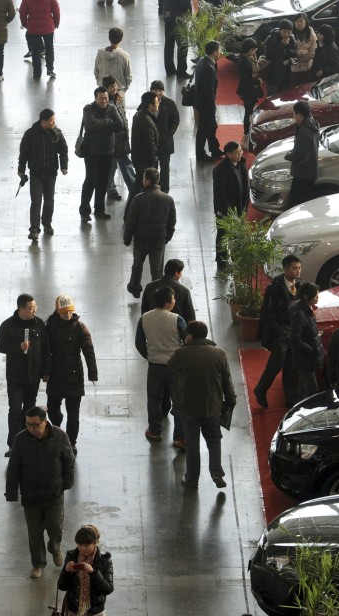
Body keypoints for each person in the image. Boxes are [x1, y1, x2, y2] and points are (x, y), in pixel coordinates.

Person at [5, 406, 75, 578]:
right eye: (28, 424)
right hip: (31, 495)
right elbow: (14, 467)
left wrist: (66, 484)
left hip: (54, 493)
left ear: (45, 422)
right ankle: (38, 564)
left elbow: (68, 461)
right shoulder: (20, 440)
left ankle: (55, 547)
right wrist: (12, 492)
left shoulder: (59, 436)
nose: (31, 428)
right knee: (34, 532)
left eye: (35, 425)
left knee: (55, 527)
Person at [169, 321, 236, 489]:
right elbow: (227, 381)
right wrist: (230, 400)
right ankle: (217, 474)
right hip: (212, 406)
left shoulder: (181, 354)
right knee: (214, 440)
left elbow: (171, 370)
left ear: (190, 336)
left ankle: (192, 479)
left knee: (192, 444)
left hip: (189, 407)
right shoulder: (219, 354)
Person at [45, 295, 98, 455]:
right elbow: (46, 351)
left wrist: (93, 373)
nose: (67, 314)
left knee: (73, 414)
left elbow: (89, 351)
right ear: (57, 311)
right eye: (64, 312)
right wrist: (45, 371)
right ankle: (57, 431)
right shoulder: (50, 327)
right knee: (53, 410)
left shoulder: (80, 328)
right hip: (55, 376)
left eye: (69, 311)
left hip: (74, 377)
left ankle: (70, 442)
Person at [0, 294, 51, 454]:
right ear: (21, 308)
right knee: (14, 409)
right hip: (15, 376)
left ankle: (27, 440)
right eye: (30, 308)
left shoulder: (39, 324)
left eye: (35, 307)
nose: (34, 310)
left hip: (33, 375)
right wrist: (18, 347)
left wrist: (46, 370)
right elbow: (0, 346)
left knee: (29, 409)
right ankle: (13, 444)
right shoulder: (8, 325)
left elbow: (46, 349)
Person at [135, 286, 187, 445]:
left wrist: (150, 355)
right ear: (167, 303)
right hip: (175, 368)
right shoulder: (177, 319)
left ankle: (154, 430)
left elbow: (139, 343)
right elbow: (187, 341)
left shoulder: (144, 318)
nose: (174, 301)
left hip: (154, 366)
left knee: (154, 400)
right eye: (173, 299)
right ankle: (179, 437)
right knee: (178, 401)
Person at [254, 254, 303, 407]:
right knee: (276, 364)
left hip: (295, 331)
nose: (298, 271)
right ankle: (261, 389)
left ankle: (291, 398)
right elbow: (268, 312)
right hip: (281, 331)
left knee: (291, 365)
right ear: (286, 269)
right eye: (295, 268)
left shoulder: (300, 286)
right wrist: (277, 332)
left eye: (300, 268)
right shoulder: (274, 288)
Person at [124, 168, 177, 297]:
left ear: (147, 181)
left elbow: (131, 220)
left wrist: (127, 237)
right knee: (157, 269)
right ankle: (157, 294)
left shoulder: (138, 199)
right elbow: (172, 221)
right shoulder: (168, 199)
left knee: (137, 265)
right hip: (159, 241)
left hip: (141, 239)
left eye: (143, 179)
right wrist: (167, 237)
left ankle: (135, 287)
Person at [19, 108, 69, 240]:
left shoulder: (56, 133)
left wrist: (64, 166)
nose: (54, 123)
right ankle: (34, 229)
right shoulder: (30, 134)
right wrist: (21, 170)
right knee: (36, 202)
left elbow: (63, 149)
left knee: (49, 201)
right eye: (51, 120)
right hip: (36, 173)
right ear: (44, 122)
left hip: (51, 173)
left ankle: (47, 223)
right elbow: (23, 153)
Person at [80, 87, 125, 222]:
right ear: (95, 98)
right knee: (90, 181)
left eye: (106, 98)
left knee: (103, 181)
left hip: (108, 152)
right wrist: (108, 123)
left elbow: (120, 125)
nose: (104, 100)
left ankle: (99, 209)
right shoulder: (88, 109)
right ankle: (84, 211)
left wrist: (103, 125)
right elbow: (91, 123)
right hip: (91, 152)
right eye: (101, 98)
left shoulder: (112, 108)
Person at [57, 525, 115, 615]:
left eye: (87, 545)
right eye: (80, 544)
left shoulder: (104, 560)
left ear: (95, 543)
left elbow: (108, 589)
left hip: (96, 612)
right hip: (74, 610)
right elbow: (61, 586)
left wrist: (93, 572)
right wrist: (66, 571)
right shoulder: (72, 556)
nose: (82, 548)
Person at [213, 142, 249, 268]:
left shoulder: (242, 165)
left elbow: (246, 188)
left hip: (240, 208)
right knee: (223, 235)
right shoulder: (220, 170)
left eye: (240, 151)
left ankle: (237, 257)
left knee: (238, 234)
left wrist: (245, 207)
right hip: (225, 211)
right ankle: (221, 261)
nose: (240, 154)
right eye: (237, 152)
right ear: (228, 154)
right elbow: (220, 195)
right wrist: (228, 212)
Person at [19, 0, 60, 80]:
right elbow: (56, 11)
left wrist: (24, 24)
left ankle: (37, 73)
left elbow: (22, 13)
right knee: (49, 48)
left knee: (36, 51)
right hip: (48, 27)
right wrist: (56, 23)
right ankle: (50, 69)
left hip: (33, 28)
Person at [159, 0, 192, 78]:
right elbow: (185, 2)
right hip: (179, 17)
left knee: (169, 43)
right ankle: (181, 70)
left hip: (168, 16)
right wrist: (189, 15)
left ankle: (170, 69)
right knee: (182, 44)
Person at [290, 282, 323, 404]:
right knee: (312, 391)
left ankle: (296, 410)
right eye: (315, 296)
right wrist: (311, 349)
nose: (317, 298)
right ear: (306, 297)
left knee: (303, 388)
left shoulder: (307, 309)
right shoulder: (299, 313)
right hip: (304, 358)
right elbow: (295, 338)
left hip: (307, 357)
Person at [103, 76, 135, 201]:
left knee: (120, 164)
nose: (114, 88)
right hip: (114, 140)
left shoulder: (117, 99)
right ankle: (130, 187)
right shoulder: (107, 104)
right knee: (118, 164)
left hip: (121, 138)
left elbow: (123, 116)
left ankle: (112, 189)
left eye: (115, 85)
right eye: (111, 87)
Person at [285, 100, 319, 210]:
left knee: (298, 204)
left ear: (299, 115)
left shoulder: (304, 130)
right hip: (308, 171)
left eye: (294, 114)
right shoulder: (313, 124)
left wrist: (289, 155)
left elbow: (300, 153)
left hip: (302, 172)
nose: (293, 116)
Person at [194, 40, 222, 162]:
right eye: (219, 50)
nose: (220, 53)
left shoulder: (202, 61)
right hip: (206, 104)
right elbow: (208, 89)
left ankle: (214, 149)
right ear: (215, 52)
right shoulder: (209, 67)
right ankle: (200, 153)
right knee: (204, 129)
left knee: (211, 127)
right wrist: (212, 106)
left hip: (201, 102)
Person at [151, 81, 181, 192]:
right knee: (152, 167)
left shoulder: (169, 103)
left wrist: (169, 133)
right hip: (151, 141)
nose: (158, 93)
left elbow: (175, 120)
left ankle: (164, 189)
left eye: (160, 90)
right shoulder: (147, 102)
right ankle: (152, 187)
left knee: (165, 168)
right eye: (155, 90)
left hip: (165, 141)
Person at [130, 91, 160, 194]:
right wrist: (153, 162)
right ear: (150, 105)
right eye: (156, 102)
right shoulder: (146, 121)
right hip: (145, 161)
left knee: (139, 186)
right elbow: (149, 144)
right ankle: (130, 209)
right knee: (139, 187)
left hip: (139, 159)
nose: (158, 104)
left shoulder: (140, 115)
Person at [236, 38, 263, 143]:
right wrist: (257, 81)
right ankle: (246, 134)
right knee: (248, 113)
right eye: (251, 50)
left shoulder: (253, 57)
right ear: (246, 49)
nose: (253, 52)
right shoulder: (243, 61)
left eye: (254, 49)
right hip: (247, 90)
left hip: (251, 89)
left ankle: (247, 134)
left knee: (250, 112)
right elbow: (245, 78)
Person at [262, 19, 297, 96]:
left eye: (289, 32)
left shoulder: (292, 40)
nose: (287, 34)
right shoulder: (271, 38)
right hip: (273, 75)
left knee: (285, 98)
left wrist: (293, 60)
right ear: (280, 30)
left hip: (286, 76)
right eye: (285, 31)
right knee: (272, 99)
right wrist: (281, 45)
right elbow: (268, 55)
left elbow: (295, 55)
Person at [94, 28, 133, 93]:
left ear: (109, 38)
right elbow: (128, 76)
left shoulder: (100, 54)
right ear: (121, 39)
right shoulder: (124, 56)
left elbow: (96, 72)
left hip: (103, 90)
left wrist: (100, 83)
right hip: (119, 90)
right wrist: (124, 90)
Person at [291, 13, 316, 86]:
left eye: (301, 21)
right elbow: (290, 54)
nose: (298, 23)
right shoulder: (290, 35)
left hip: (307, 67)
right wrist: (301, 53)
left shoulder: (312, 34)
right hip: (294, 68)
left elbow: (312, 54)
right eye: (296, 21)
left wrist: (297, 57)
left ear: (306, 22)